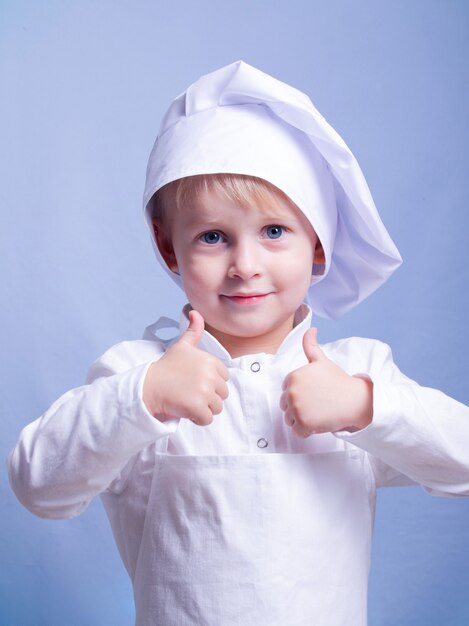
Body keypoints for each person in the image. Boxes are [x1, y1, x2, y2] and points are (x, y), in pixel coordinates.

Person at [8, 61, 469, 626]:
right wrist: (143, 398)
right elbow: (40, 487)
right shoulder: (137, 375)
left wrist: (364, 407)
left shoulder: (355, 375)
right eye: (212, 237)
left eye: (274, 231)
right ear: (169, 246)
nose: (245, 266)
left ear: (319, 243)